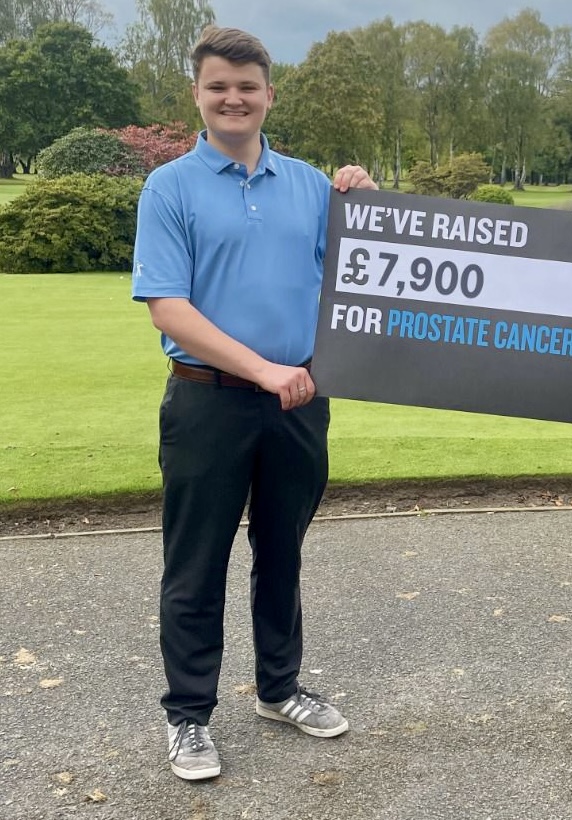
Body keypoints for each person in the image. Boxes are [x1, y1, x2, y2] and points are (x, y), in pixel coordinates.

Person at [131, 25, 378, 781]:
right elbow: (169, 308)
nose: (232, 98)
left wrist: (372, 209)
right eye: (218, 86)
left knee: (281, 554)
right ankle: (188, 716)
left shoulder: (309, 185)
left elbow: (361, 274)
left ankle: (279, 689)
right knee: (195, 563)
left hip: (298, 402)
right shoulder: (169, 187)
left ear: (269, 94)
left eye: (246, 87)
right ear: (198, 95)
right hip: (207, 401)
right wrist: (263, 370)